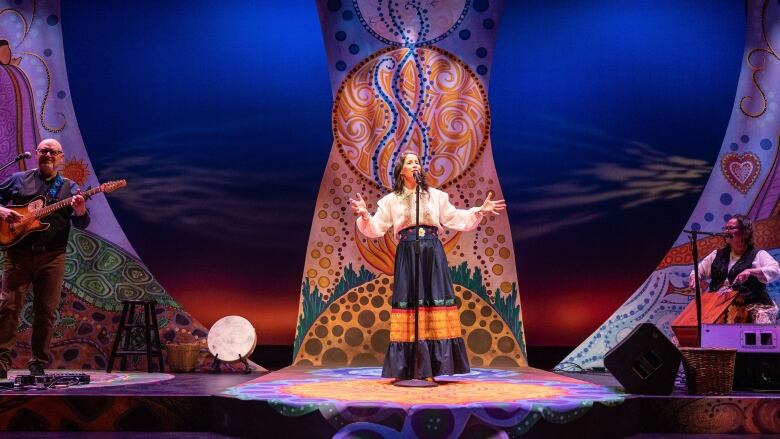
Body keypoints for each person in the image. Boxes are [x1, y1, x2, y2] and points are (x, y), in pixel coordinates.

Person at [349, 152, 505, 381]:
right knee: (409, 301)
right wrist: (364, 215)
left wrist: (478, 211)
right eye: (410, 162)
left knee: (433, 299)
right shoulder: (392, 200)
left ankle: (432, 367)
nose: (416, 165)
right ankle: (408, 368)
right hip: (407, 251)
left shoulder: (436, 196)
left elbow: (455, 218)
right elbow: (375, 228)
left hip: (431, 250)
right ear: (401, 171)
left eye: (418, 162)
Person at [0, 138, 89, 377]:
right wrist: (3, 210)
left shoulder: (69, 188)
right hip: (17, 255)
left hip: (52, 257)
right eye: (44, 151)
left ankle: (38, 362)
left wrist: (80, 210)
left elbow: (81, 223)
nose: (48, 155)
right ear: (37, 154)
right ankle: (0, 363)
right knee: (8, 308)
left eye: (54, 152)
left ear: (61, 158)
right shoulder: (20, 180)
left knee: (45, 312)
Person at [689, 214, 780, 324]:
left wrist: (751, 271)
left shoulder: (758, 255)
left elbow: (775, 270)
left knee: (761, 326)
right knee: (692, 326)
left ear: (746, 233)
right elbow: (698, 271)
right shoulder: (716, 254)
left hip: (752, 304)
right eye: (725, 228)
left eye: (731, 228)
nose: (726, 231)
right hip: (720, 304)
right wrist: (694, 277)